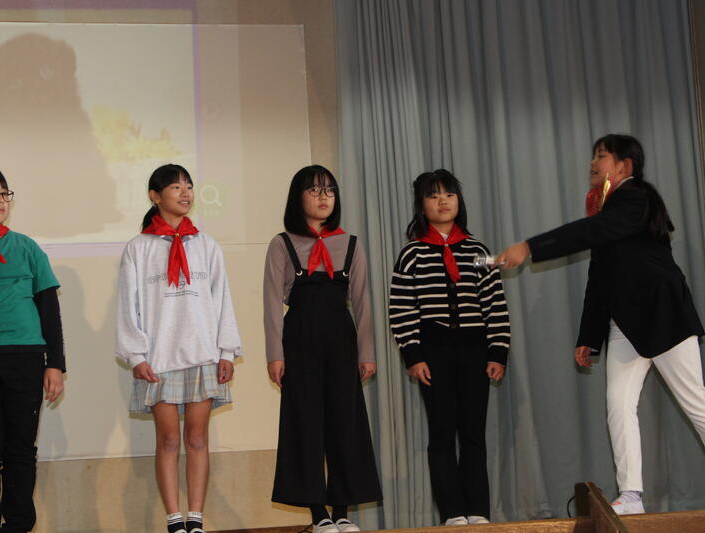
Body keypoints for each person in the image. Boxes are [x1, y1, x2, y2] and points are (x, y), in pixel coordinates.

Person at [497, 134, 705, 514]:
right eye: (594, 156)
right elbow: (600, 277)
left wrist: (529, 247)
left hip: (664, 316)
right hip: (627, 324)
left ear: (624, 166)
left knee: (694, 400)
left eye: (601, 156)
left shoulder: (636, 197)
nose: (593, 163)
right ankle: (631, 494)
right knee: (618, 404)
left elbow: (589, 233)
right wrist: (589, 337)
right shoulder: (607, 211)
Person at [116, 164, 242, 533]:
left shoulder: (206, 244)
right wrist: (136, 355)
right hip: (160, 359)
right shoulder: (138, 248)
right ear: (155, 196)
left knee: (198, 438)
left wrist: (226, 352)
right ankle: (174, 520)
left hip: (202, 354)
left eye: (189, 186)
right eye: (175, 187)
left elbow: (222, 299)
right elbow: (128, 305)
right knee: (169, 439)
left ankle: (196, 519)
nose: (185, 193)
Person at [263, 165, 382, 533]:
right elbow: (271, 303)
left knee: (345, 423)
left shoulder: (351, 244)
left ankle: (342, 511)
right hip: (300, 340)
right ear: (297, 198)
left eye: (329, 190)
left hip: (341, 340)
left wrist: (367, 353)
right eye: (314, 190)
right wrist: (275, 354)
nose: (323, 197)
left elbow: (362, 302)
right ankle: (319, 514)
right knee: (306, 423)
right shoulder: (282, 243)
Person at [389, 169, 510, 525]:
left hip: (474, 349)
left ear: (459, 201)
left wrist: (497, 352)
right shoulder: (411, 253)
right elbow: (401, 309)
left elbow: (495, 304)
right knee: (441, 433)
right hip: (434, 350)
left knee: (473, 433)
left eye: (449, 194)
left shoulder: (478, 251)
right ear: (421, 206)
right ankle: (452, 513)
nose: (442, 201)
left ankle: (478, 510)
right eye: (433, 196)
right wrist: (413, 355)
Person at [0, 161, 65, 533]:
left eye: (4, 193)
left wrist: (55, 363)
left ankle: (20, 524)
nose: (0, 200)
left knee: (21, 447)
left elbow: (49, 308)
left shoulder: (26, 247)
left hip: (24, 357)